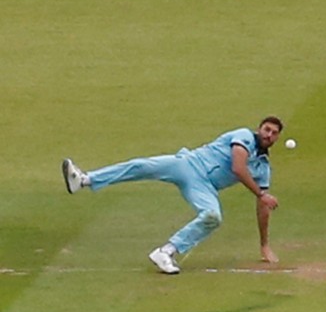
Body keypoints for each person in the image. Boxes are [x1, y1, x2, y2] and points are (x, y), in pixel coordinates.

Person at [60, 116, 284, 273]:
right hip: (187, 164)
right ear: (259, 129)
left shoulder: (263, 168)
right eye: (267, 129)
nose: (269, 134)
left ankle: (166, 252)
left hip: (203, 187)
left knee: (213, 217)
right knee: (141, 166)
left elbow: (262, 205)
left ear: (277, 139)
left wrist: (264, 243)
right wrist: (261, 194)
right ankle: (85, 179)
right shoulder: (243, 135)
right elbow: (238, 167)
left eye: (274, 133)